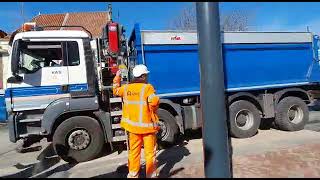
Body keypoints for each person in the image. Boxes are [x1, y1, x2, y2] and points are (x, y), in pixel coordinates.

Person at [113, 64, 160, 178]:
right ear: (143, 76)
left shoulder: (127, 88)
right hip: (147, 128)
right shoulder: (147, 88)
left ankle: (133, 175)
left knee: (134, 153)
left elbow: (115, 91)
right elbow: (154, 103)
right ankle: (151, 175)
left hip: (133, 129)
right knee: (149, 154)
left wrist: (117, 76)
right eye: (146, 75)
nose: (147, 77)